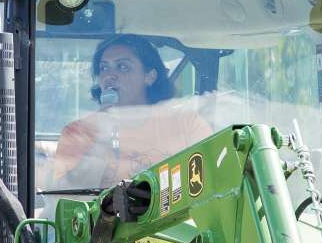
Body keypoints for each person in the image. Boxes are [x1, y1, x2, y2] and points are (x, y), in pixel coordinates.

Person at [47, 33, 210, 192]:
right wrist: (101, 141)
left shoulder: (186, 123)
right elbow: (66, 198)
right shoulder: (79, 132)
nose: (109, 75)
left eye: (122, 67)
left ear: (150, 76)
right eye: (104, 68)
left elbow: (212, 179)